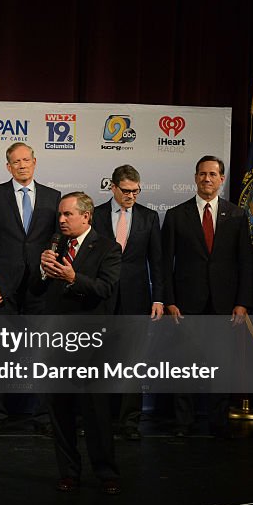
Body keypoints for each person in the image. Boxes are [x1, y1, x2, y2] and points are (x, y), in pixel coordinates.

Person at [36, 192, 122, 495]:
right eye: (60, 215)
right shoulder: (55, 245)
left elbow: (105, 289)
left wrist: (74, 277)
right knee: (59, 410)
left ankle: (106, 472)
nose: (61, 220)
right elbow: (40, 289)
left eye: (67, 215)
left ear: (86, 216)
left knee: (96, 412)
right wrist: (42, 270)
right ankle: (69, 472)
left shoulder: (109, 248)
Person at [161, 155, 253, 438]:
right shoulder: (177, 215)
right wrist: (169, 300)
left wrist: (242, 302)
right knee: (184, 366)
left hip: (225, 304)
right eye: (202, 174)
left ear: (222, 179)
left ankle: (218, 422)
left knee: (222, 365)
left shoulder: (237, 215)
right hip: (186, 304)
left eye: (213, 174)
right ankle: (183, 423)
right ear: (195, 177)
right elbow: (165, 263)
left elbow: (245, 263)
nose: (207, 179)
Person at [0, 142, 60, 436]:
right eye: (16, 162)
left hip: (41, 288)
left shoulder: (53, 197)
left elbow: (56, 242)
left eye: (26, 160)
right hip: (2, 289)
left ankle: (46, 417)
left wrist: (53, 269)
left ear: (35, 162)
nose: (22, 165)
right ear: (7, 167)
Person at [91, 165, 163, 441]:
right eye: (126, 191)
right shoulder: (95, 215)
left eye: (136, 191)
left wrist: (158, 297)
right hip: (100, 298)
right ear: (113, 187)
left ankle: (129, 422)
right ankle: (100, 419)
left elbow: (156, 262)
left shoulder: (149, 217)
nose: (131, 196)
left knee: (131, 362)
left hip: (136, 298)